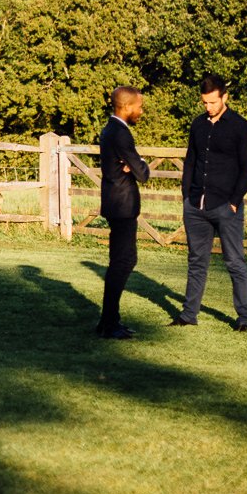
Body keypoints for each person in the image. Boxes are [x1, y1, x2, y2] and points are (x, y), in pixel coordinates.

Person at [172, 73, 247, 332]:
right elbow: (190, 161)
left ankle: (244, 319)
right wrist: (186, 196)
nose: (208, 107)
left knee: (235, 263)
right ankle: (189, 314)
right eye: (204, 103)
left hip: (226, 206)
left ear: (224, 97)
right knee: (197, 261)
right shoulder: (198, 125)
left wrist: (234, 201)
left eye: (212, 102)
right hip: (196, 206)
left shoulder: (240, 127)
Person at [95, 85, 154, 339]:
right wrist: (140, 164)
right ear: (127, 107)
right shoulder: (120, 134)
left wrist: (134, 164)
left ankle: (110, 321)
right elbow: (142, 174)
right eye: (139, 107)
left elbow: (133, 168)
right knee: (123, 261)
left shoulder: (111, 130)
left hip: (116, 203)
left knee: (121, 261)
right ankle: (109, 323)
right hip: (122, 205)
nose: (141, 111)